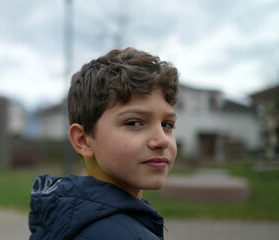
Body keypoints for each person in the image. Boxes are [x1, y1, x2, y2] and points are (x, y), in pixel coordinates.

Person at [29, 47, 179, 240]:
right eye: (134, 123)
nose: (162, 140)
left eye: (167, 124)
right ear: (83, 140)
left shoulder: (61, 213)